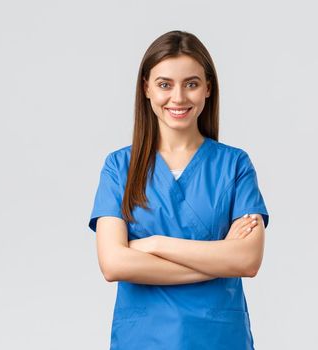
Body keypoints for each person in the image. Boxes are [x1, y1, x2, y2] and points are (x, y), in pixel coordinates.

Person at [88, 30, 270, 349]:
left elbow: (247, 260)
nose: (178, 98)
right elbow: (114, 263)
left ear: (207, 88)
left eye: (191, 83)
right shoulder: (119, 168)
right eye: (164, 84)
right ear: (146, 88)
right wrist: (216, 259)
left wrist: (153, 244)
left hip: (218, 339)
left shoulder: (234, 165)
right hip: (143, 339)